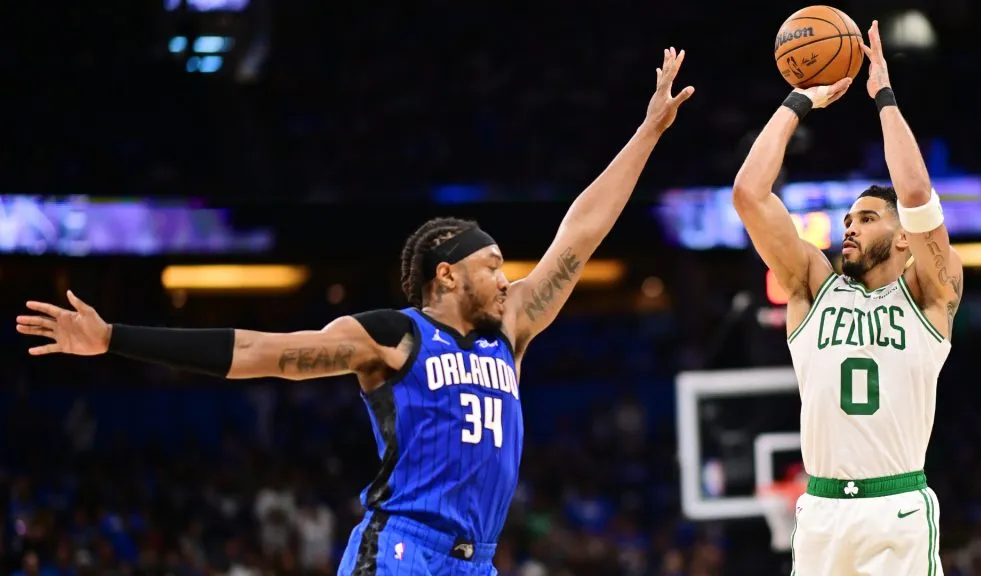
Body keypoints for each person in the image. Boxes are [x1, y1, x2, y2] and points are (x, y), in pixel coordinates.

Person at [16, 48, 695, 576]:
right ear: (447, 273)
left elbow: (578, 236)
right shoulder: (394, 338)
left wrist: (648, 133)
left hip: (479, 559)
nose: (507, 278)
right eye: (492, 267)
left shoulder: (509, 334)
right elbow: (263, 353)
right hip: (402, 550)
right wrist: (114, 339)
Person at [731, 22, 962, 576]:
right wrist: (798, 100)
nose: (849, 229)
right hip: (822, 511)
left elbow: (913, 193)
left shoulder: (932, 294)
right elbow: (748, 194)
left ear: (904, 236)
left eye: (865, 218)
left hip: (897, 506)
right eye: (846, 220)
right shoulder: (812, 284)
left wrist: (882, 94)